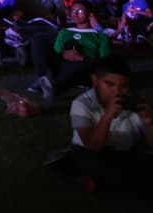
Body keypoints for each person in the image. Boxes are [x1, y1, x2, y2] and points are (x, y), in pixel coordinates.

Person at [51, 55, 152, 196]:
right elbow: (92, 146)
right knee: (91, 162)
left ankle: (98, 184)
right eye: (109, 84)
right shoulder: (82, 103)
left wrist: (148, 122)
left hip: (125, 155)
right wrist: (108, 115)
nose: (116, 92)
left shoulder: (134, 102)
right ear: (95, 80)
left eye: (122, 87)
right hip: (92, 154)